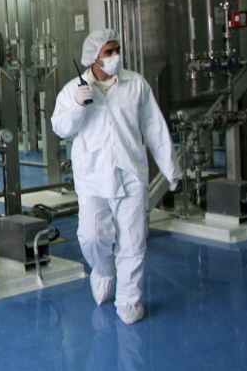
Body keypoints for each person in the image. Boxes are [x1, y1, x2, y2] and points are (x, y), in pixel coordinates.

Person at [50, 28, 179, 324]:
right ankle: (104, 269)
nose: (115, 57)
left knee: (133, 242)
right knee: (91, 236)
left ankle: (129, 300)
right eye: (108, 52)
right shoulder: (74, 89)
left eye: (117, 50)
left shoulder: (136, 85)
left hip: (131, 173)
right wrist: (78, 108)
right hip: (92, 177)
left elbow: (155, 128)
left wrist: (170, 168)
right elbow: (60, 128)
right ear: (94, 57)